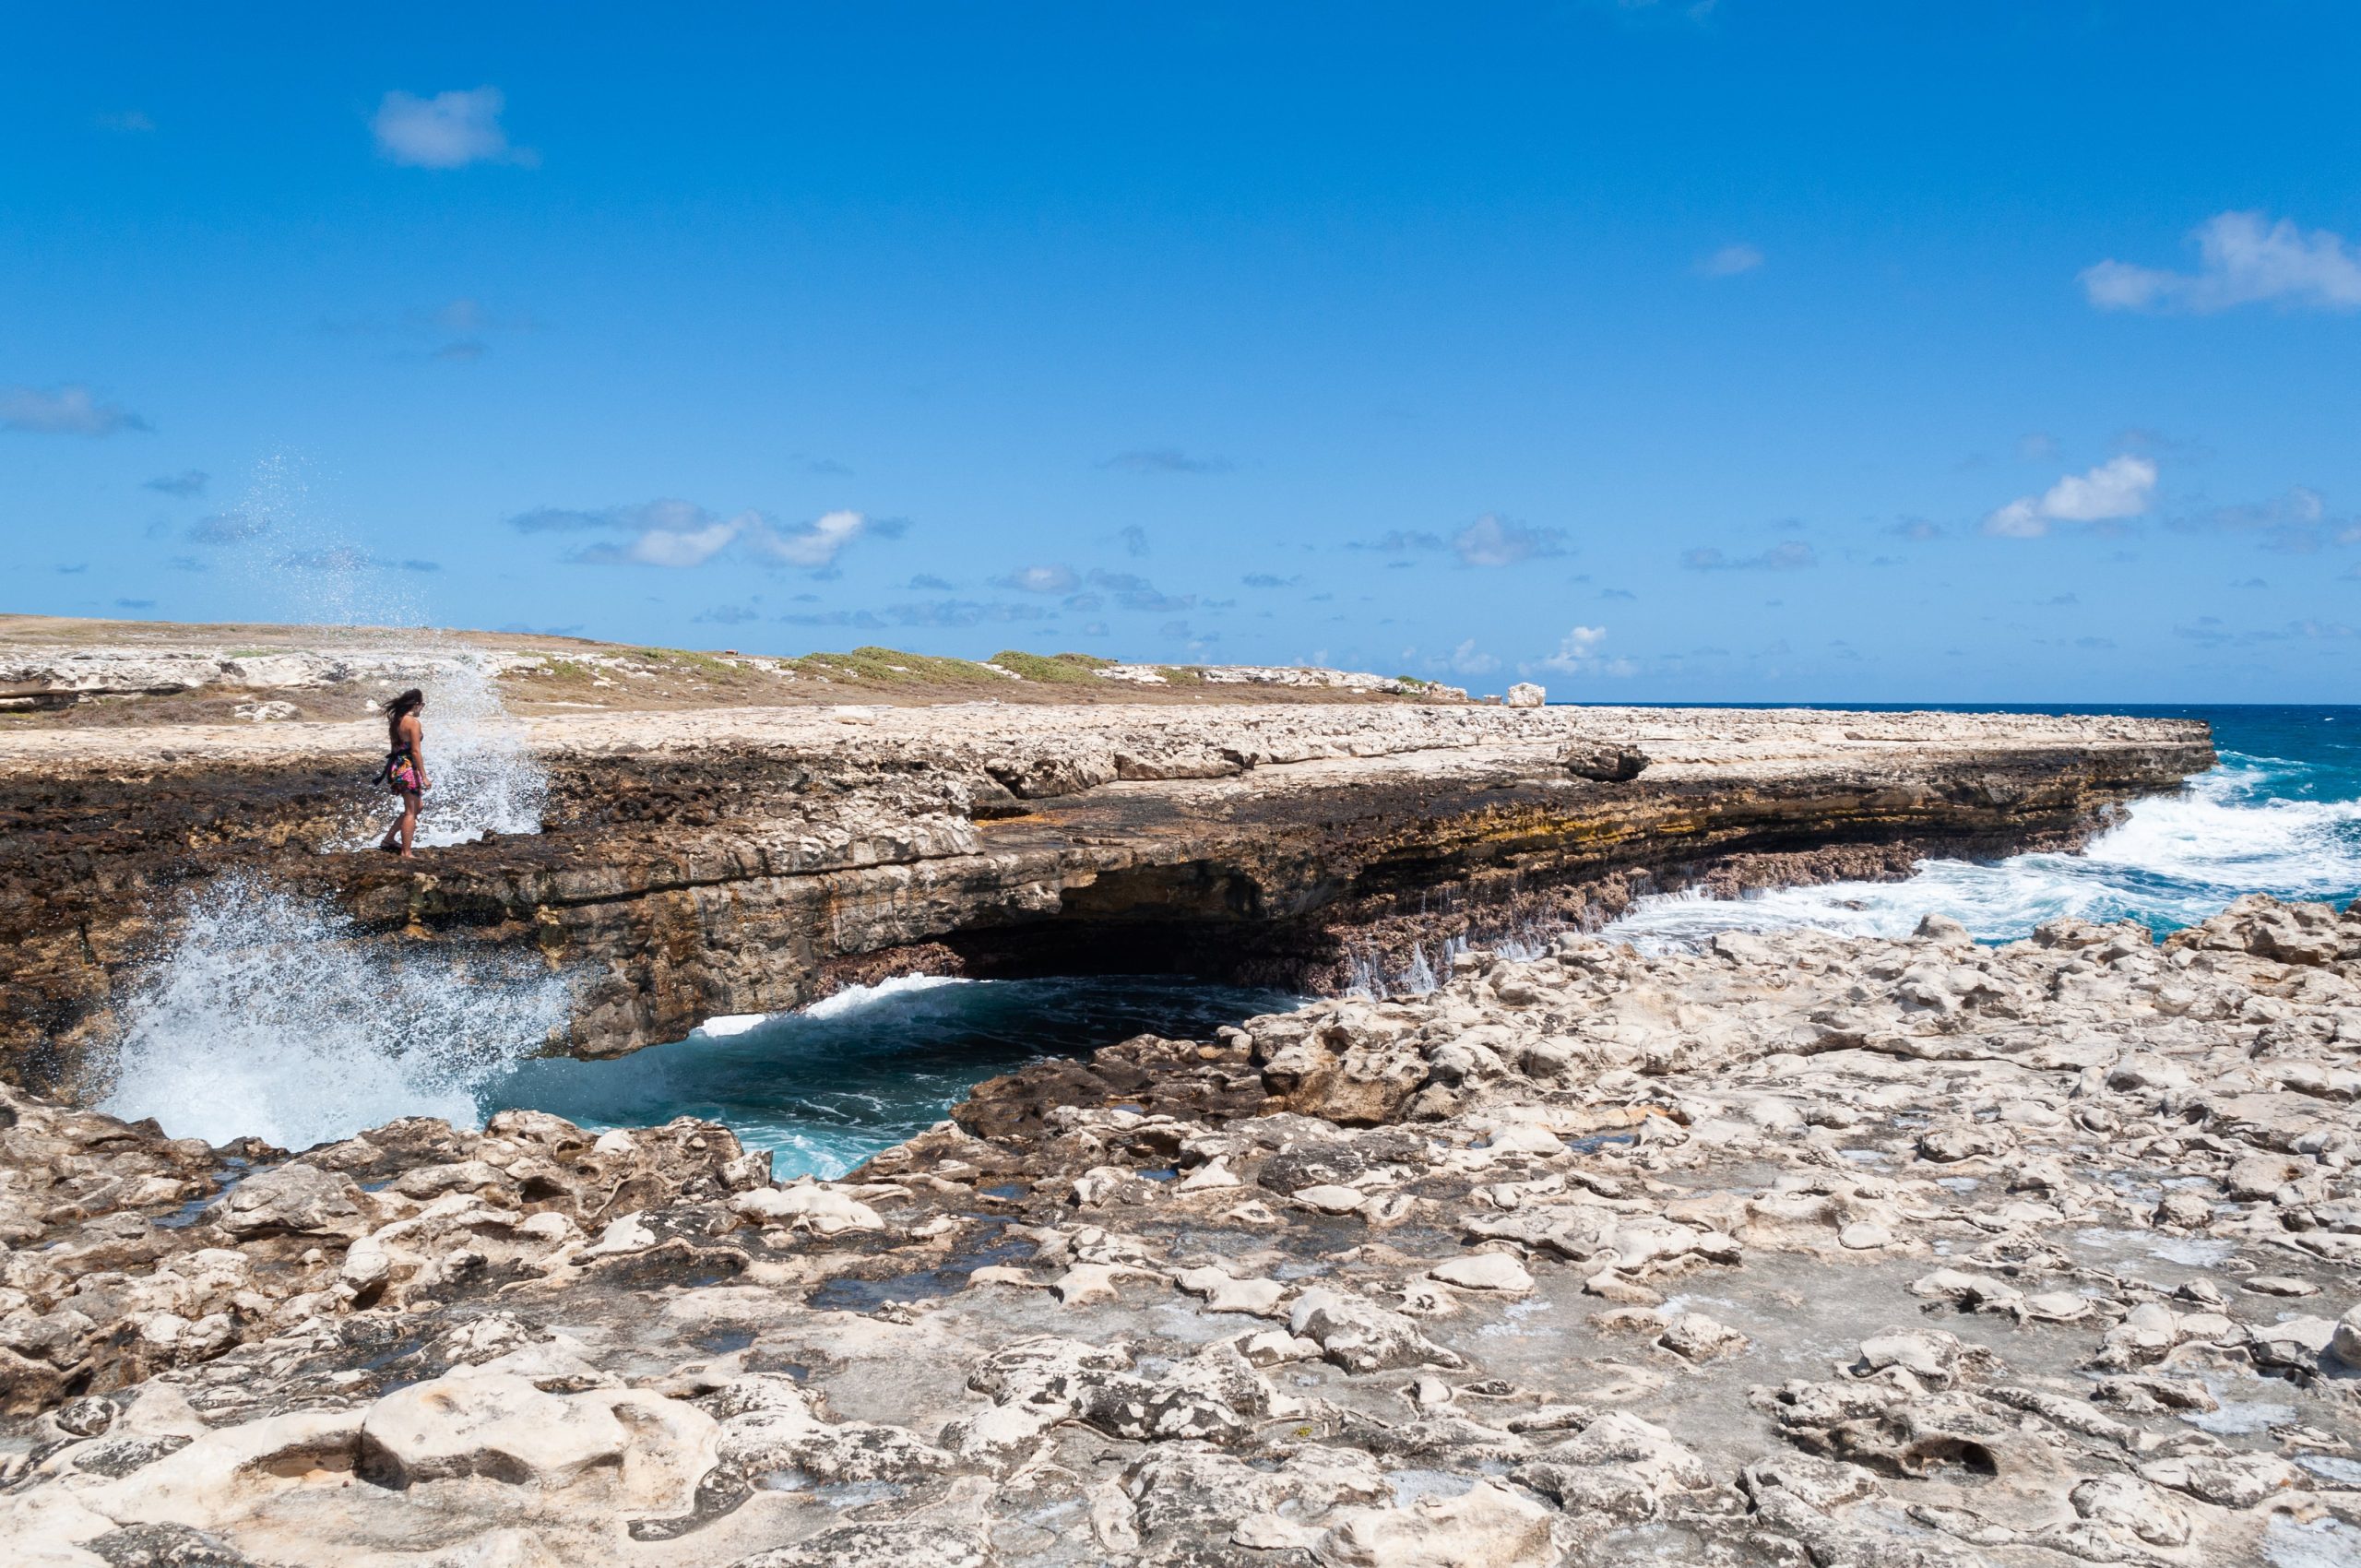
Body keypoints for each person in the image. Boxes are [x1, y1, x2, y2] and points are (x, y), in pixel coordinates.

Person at [376, 688, 430, 857]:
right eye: (422, 704)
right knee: (410, 812)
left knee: (417, 806)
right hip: (407, 768)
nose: (422, 708)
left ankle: (389, 839)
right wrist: (424, 776)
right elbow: (415, 751)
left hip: (396, 766)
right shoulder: (413, 723)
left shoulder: (396, 721)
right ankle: (406, 852)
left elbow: (394, 748)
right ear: (416, 705)